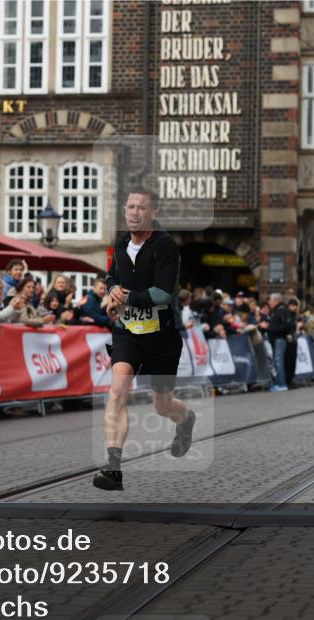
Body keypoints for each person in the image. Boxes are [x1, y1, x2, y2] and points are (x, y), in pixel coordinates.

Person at [93, 188, 195, 492]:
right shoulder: (122, 243)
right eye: (130, 206)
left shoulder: (165, 247)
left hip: (162, 336)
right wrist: (112, 290)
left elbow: (164, 293)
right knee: (117, 391)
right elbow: (112, 276)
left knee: (161, 406)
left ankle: (185, 420)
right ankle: (113, 467)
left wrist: (126, 297)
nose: (133, 212)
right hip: (128, 333)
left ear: (154, 213)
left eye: (141, 207)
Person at [267, 294, 298, 391]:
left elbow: (288, 325)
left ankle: (281, 383)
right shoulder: (276, 311)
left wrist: (272, 329)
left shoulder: (282, 310)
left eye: (270, 300)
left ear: (276, 300)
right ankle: (279, 382)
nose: (269, 302)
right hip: (276, 339)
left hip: (280, 339)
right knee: (278, 361)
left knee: (278, 361)